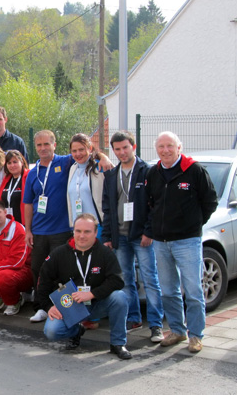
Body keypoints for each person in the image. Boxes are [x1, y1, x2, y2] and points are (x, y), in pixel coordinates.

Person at [24, 130, 112, 323]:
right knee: (38, 270)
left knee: (63, 272)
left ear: (54, 145)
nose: (43, 148)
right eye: (39, 145)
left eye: (46, 144)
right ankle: (41, 307)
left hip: (63, 229)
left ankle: (64, 309)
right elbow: (28, 203)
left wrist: (103, 156)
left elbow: (87, 152)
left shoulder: (66, 162)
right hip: (39, 231)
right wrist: (27, 230)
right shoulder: (32, 173)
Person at [146, 131, 218, 353]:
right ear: (156, 149)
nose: (165, 150)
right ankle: (177, 330)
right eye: (161, 147)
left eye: (170, 146)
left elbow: (210, 202)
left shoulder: (195, 171)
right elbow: (151, 204)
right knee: (168, 290)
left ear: (179, 147)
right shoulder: (154, 173)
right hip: (161, 242)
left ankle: (195, 336)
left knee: (194, 291)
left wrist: (193, 225)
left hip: (187, 241)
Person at [39, 214, 132, 360]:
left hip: (96, 304)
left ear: (95, 233)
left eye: (87, 232)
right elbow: (43, 283)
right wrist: (48, 307)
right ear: (73, 232)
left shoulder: (105, 253)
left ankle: (118, 344)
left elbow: (117, 280)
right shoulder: (59, 254)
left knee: (119, 297)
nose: (82, 236)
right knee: (51, 331)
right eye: (78, 231)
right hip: (70, 306)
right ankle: (77, 330)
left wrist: (92, 294)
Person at [102, 131, 164, 342]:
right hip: (120, 238)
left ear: (134, 147)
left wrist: (149, 231)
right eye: (117, 149)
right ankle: (133, 318)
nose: (121, 152)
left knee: (150, 279)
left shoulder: (147, 171)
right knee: (126, 280)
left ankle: (156, 325)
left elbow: (155, 205)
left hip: (141, 237)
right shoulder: (111, 175)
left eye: (125, 148)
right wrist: (108, 236)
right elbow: (107, 208)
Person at [67, 133, 104, 231]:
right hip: (78, 228)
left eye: (81, 149)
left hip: (97, 226)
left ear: (90, 148)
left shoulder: (99, 168)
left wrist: (103, 157)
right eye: (74, 151)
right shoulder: (72, 169)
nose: (78, 154)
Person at [0, 150, 29, 224]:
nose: (12, 165)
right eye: (9, 163)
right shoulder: (6, 179)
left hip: (24, 223)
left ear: (21, 162)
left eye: (15, 162)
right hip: (8, 223)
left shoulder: (28, 177)